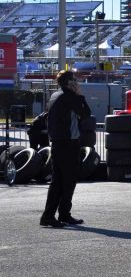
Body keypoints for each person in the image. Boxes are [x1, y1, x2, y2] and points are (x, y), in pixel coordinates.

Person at [40, 70, 92, 228]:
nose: (78, 82)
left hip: (57, 142)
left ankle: (59, 214)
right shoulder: (70, 96)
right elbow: (86, 114)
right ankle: (54, 215)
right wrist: (79, 94)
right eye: (75, 80)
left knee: (59, 180)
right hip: (68, 143)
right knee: (67, 180)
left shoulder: (55, 95)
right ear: (71, 83)